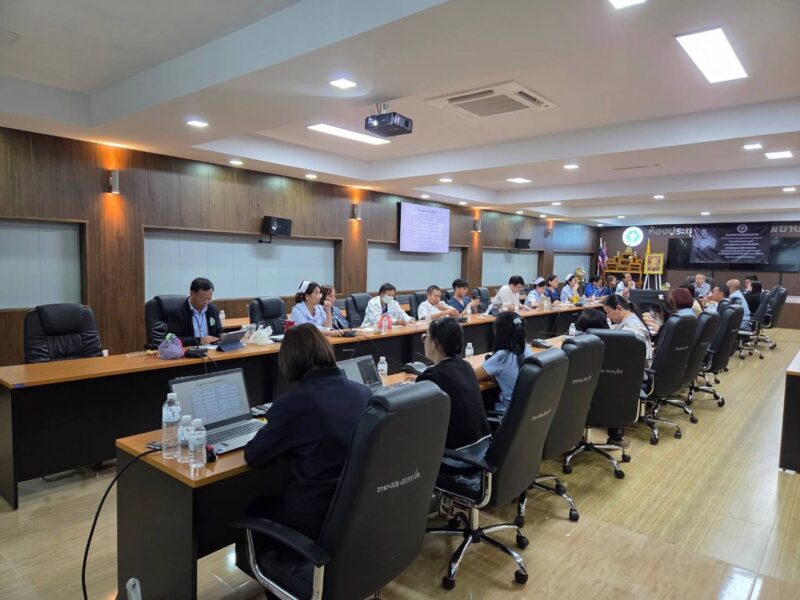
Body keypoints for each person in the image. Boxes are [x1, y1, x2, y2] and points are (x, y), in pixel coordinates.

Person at [243, 324, 371, 541]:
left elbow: (254, 457)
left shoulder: (293, 404)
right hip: (352, 510)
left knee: (256, 506)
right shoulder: (363, 393)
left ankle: (277, 559)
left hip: (311, 515)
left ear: (289, 360)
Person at [416, 318, 490, 449]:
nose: (424, 341)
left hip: (459, 455)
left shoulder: (431, 376)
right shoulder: (465, 365)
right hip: (484, 446)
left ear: (435, 343)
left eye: (425, 337)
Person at [603, 294, 653, 448]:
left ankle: (615, 435)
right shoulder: (633, 321)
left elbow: (623, 363)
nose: (608, 317)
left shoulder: (631, 331)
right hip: (640, 373)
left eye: (608, 312)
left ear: (618, 308)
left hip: (634, 377)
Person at [473, 312, 533, 413]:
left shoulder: (501, 357)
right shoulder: (526, 349)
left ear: (498, 333)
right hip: (526, 410)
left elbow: (471, 376)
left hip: (508, 412)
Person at [166, 277, 223, 346]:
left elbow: (218, 332)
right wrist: (199, 341)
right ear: (191, 293)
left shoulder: (213, 309)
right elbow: (172, 339)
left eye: (209, 298)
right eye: (201, 298)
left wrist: (222, 336)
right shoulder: (177, 312)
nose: (206, 302)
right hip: (190, 350)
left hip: (212, 349)